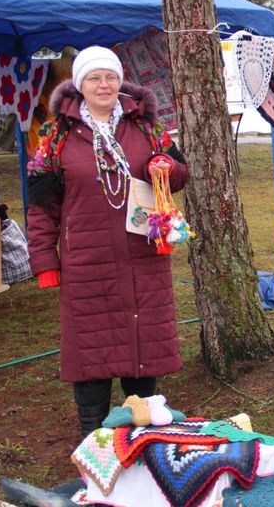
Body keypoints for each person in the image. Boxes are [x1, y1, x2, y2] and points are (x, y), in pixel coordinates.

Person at [26, 46, 189, 439]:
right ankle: (93, 440)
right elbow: (41, 204)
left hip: (143, 256)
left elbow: (180, 175)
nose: (104, 85)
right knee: (91, 350)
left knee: (143, 347)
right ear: (80, 84)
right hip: (87, 259)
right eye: (95, 78)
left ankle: (140, 435)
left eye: (111, 77)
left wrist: (165, 167)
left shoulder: (147, 127)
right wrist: (45, 261)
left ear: (121, 81)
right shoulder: (56, 134)